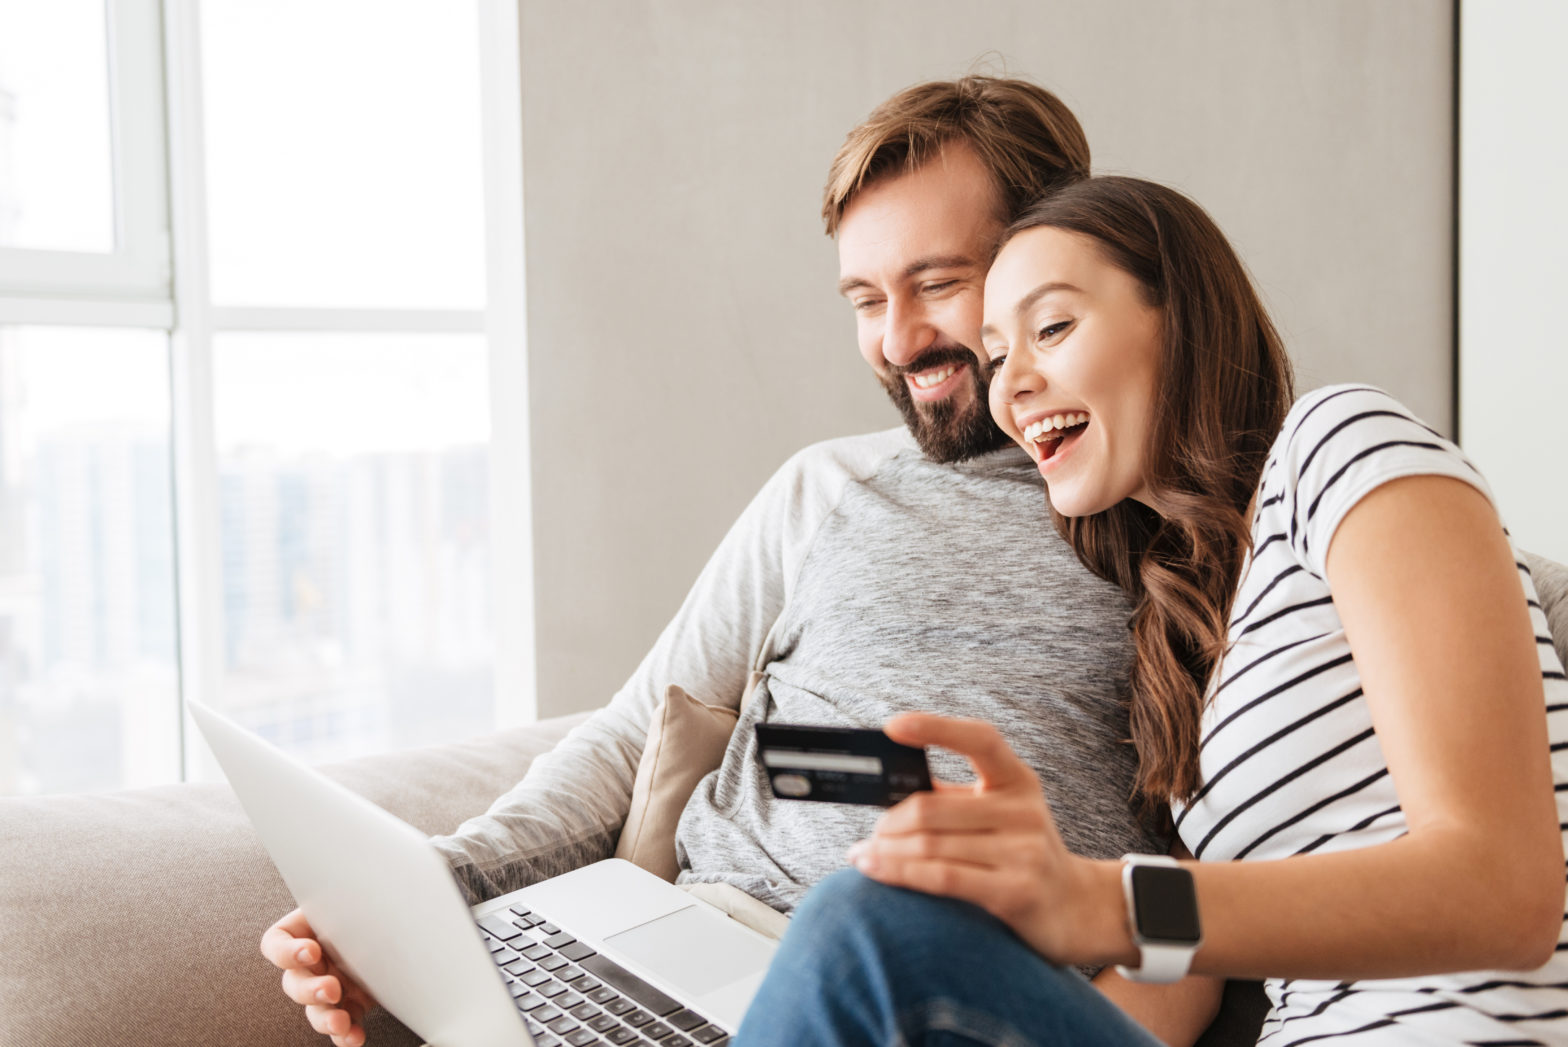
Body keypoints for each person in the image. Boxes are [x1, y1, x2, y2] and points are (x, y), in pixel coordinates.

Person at [261, 81, 1227, 1047]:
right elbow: (635, 735)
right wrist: (425, 900)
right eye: (864, 299)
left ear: (1047, 253)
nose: (896, 340)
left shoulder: (1192, 536)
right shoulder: (826, 490)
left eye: (938, 284)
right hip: (693, 943)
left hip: (936, 1001)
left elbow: (1210, 913)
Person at [734, 176, 1568, 1046]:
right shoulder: (1185, 633)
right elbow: (1191, 968)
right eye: (996, 353)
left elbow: (1504, 888)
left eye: (1051, 328)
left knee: (863, 930)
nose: (1010, 385)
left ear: (1183, 318)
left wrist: (1102, 899)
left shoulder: (1339, 445)